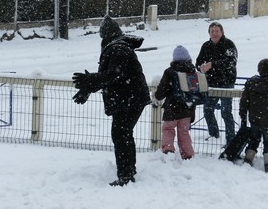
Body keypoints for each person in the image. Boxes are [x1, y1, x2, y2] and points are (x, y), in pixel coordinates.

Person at [72, 15, 151, 187]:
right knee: (123, 134)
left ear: (106, 34)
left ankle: (126, 174)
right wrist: (87, 89)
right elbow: (109, 76)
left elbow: (114, 74)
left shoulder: (117, 49)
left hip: (129, 98)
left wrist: (90, 79)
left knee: (121, 135)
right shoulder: (116, 47)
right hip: (130, 97)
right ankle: (128, 171)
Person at [196, 21, 238, 145]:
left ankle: (231, 139)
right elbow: (198, 61)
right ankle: (213, 135)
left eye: (217, 31)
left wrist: (212, 64)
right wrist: (201, 67)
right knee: (207, 110)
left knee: (226, 112)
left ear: (222, 32)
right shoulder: (206, 46)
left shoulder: (229, 44)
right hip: (211, 83)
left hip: (227, 83)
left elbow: (231, 62)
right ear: (209, 33)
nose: (214, 33)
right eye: (212, 31)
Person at [154, 45, 195, 160]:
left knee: (168, 130)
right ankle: (188, 154)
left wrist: (157, 96)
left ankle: (168, 150)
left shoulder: (169, 72)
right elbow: (194, 93)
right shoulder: (192, 71)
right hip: (187, 108)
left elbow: (162, 90)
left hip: (171, 109)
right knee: (184, 132)